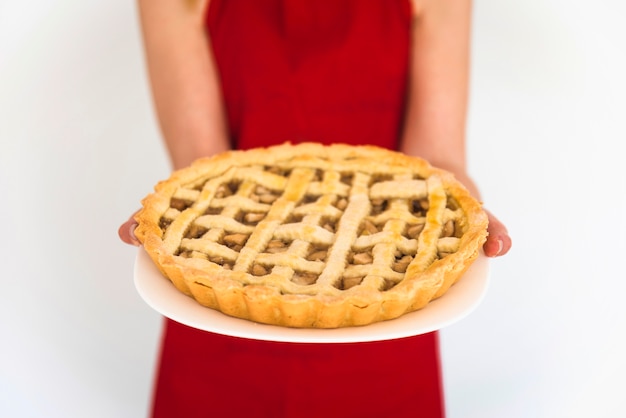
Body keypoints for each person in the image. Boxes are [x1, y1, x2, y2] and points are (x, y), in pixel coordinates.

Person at [120, 0, 512, 417]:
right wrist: (167, 220)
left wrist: (465, 207)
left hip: (385, 314)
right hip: (221, 312)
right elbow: (204, 172)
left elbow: (435, 163)